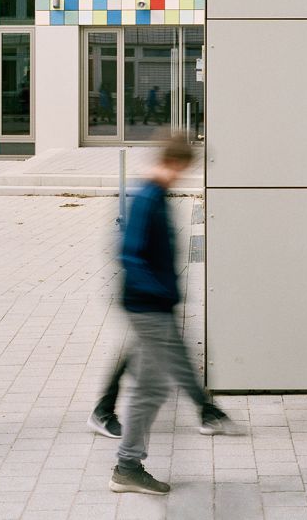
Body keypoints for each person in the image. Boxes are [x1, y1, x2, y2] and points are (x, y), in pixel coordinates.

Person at [108, 138, 232, 496]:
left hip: (151, 305)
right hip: (148, 306)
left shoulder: (154, 195)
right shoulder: (148, 197)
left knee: (152, 386)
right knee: (151, 389)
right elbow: (130, 255)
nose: (184, 175)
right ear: (175, 162)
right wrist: (160, 292)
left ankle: (127, 466)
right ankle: (127, 467)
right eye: (184, 168)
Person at [89, 347, 234, 440]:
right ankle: (103, 413)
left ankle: (207, 410)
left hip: (155, 304)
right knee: (172, 353)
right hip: (150, 305)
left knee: (162, 350)